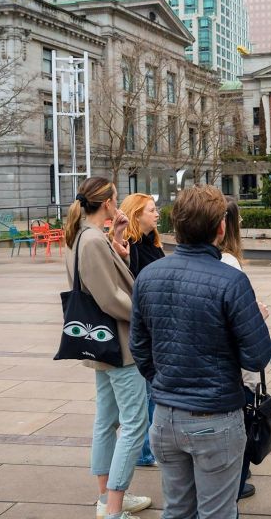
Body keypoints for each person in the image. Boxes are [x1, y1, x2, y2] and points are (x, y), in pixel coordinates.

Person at [130, 185, 271, 519]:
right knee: (217, 512)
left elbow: (139, 347)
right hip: (216, 417)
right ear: (221, 227)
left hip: (166, 416)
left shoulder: (148, 276)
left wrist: (164, 381)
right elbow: (257, 356)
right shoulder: (231, 281)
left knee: (178, 509)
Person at [62, 177, 151, 519]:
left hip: (101, 346)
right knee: (133, 424)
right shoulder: (91, 241)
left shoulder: (84, 237)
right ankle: (113, 506)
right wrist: (147, 317)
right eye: (117, 198)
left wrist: (116, 242)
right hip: (119, 346)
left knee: (107, 421)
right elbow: (110, 298)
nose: (120, 202)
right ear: (108, 204)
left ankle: (106, 499)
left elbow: (104, 283)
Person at [218, 197, 269, 503]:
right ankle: (235, 483)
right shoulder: (229, 263)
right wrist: (257, 314)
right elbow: (242, 325)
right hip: (232, 370)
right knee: (240, 422)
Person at [113, 192, 165, 468]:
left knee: (153, 391)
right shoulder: (129, 246)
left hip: (157, 325)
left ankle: (149, 447)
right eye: (152, 210)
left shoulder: (152, 243)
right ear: (137, 215)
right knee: (147, 392)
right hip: (143, 328)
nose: (157, 214)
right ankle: (145, 451)